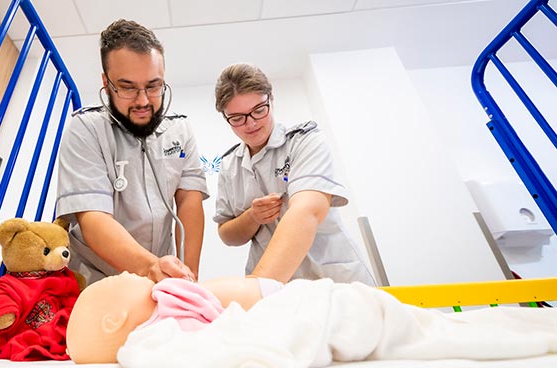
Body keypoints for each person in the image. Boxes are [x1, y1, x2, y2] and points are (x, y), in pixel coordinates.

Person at [66, 272, 557, 366]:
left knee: (430, 326)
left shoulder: (172, 313)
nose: (134, 273)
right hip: (312, 311)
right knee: (441, 332)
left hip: (309, 295)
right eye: (122, 279)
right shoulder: (154, 339)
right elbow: (226, 351)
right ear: (113, 324)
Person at [55, 19, 208, 286]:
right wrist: (151, 268)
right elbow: (94, 218)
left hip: (160, 278)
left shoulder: (180, 131)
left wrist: (188, 277)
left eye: (153, 86)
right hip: (96, 279)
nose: (143, 101)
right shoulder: (85, 130)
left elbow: (189, 204)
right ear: (106, 82)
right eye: (127, 87)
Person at [212, 62, 374, 285]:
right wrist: (252, 218)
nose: (251, 124)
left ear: (271, 99)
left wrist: (256, 286)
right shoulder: (230, 166)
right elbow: (227, 234)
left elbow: (306, 211)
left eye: (259, 110)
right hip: (278, 286)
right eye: (238, 118)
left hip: (331, 277)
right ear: (226, 118)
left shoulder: (304, 141)